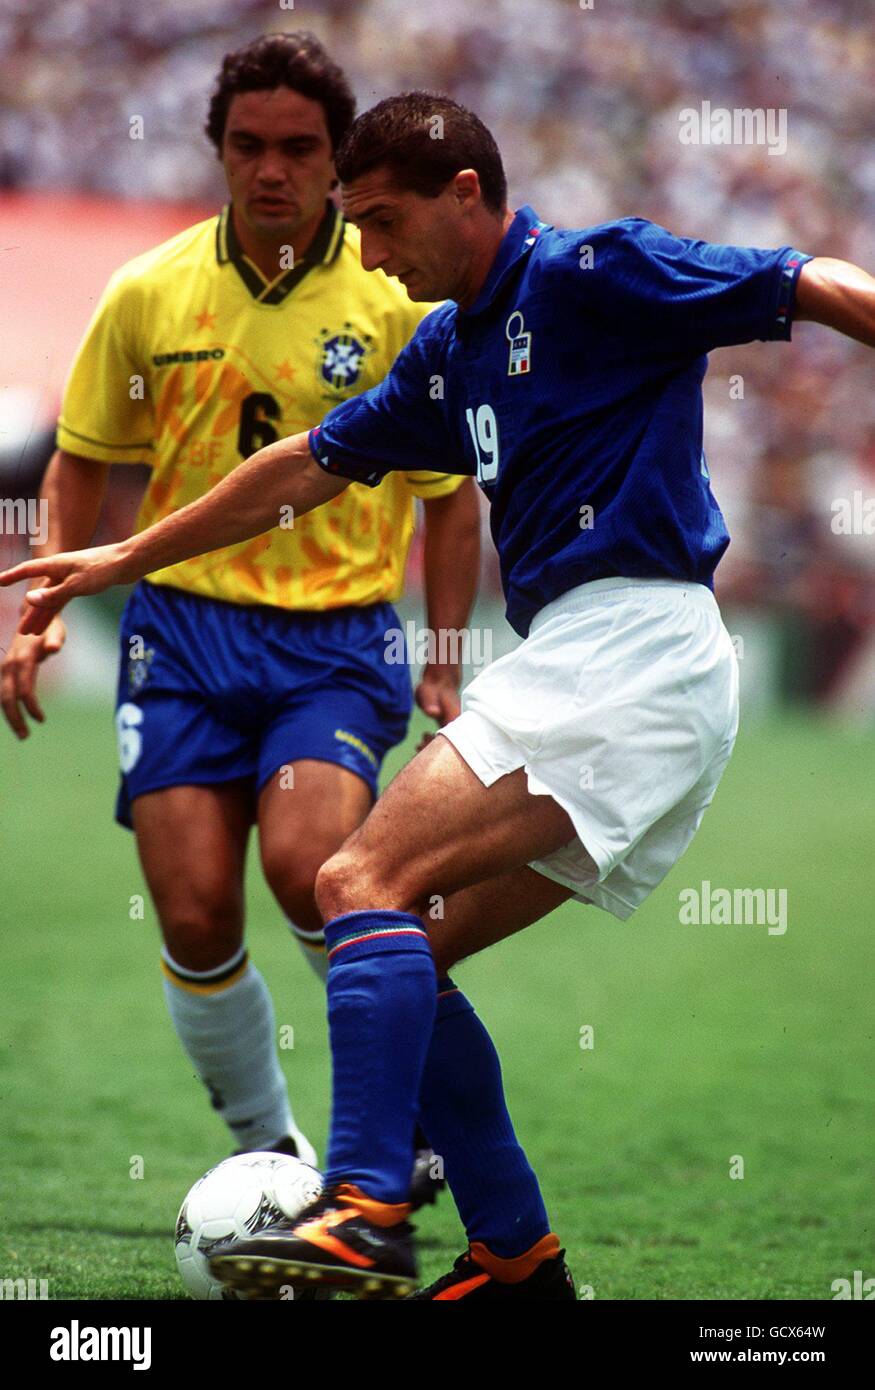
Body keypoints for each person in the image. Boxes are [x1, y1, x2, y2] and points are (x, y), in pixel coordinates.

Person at [4, 91, 874, 1300]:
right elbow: (302, 467)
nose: (362, 251)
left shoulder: (591, 270)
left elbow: (806, 279)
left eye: (378, 222)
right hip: (612, 662)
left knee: (351, 881)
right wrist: (121, 557)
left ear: (464, 195)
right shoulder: (450, 343)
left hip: (632, 648)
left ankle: (359, 1209)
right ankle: (514, 1253)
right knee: (401, 947)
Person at [0, 52, 479, 1200]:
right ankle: (270, 1154)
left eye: (299, 149)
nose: (272, 171)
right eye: (247, 147)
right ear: (218, 150)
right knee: (197, 909)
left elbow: (449, 498)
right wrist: (42, 603)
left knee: (310, 864)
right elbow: (83, 463)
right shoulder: (148, 293)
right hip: (180, 640)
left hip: (333, 636)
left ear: (336, 157)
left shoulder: (392, 296)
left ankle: (405, 1117)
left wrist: (448, 658)